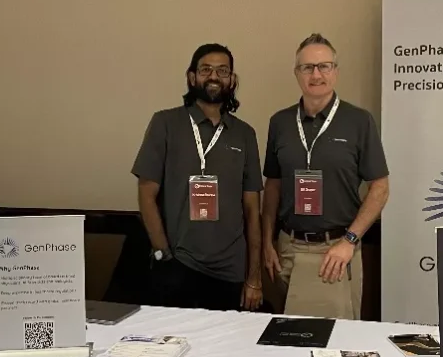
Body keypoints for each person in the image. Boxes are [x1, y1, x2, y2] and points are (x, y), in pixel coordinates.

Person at [262, 33, 389, 319]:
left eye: (324, 66)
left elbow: (380, 188)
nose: (316, 75)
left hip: (336, 251)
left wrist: (350, 241)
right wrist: (268, 243)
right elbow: (273, 186)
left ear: (335, 72)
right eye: (307, 67)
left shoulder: (359, 121)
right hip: (287, 251)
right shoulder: (280, 123)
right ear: (297, 73)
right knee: (289, 337)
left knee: (334, 339)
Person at [132, 43, 264, 311]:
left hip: (231, 272)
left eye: (222, 71)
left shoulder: (245, 134)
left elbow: (252, 210)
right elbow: (146, 194)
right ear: (192, 77)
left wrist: (254, 276)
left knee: (225, 340)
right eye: (206, 69)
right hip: (179, 265)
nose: (214, 76)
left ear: (232, 80)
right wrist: (162, 255)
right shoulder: (165, 124)